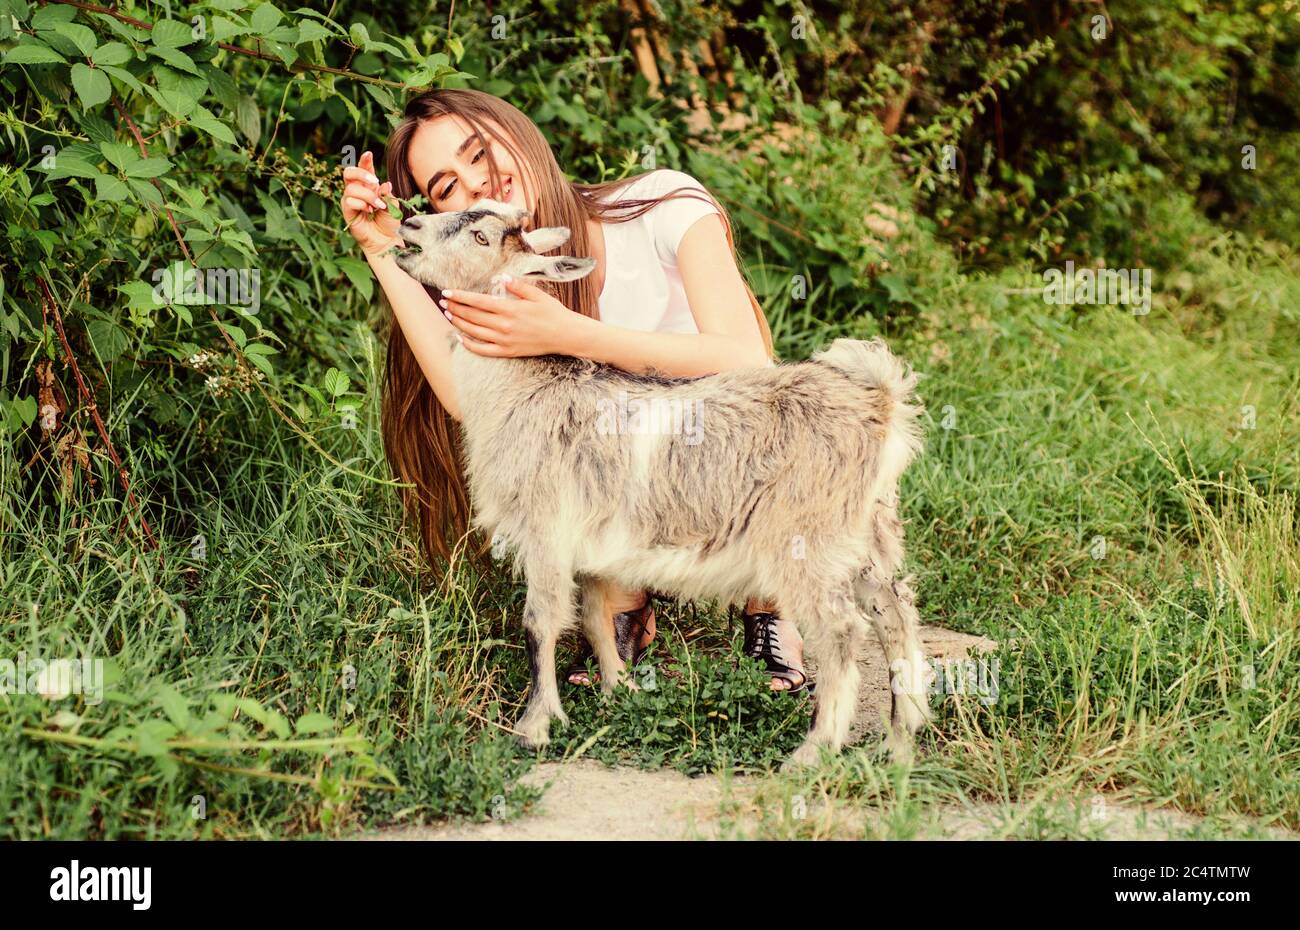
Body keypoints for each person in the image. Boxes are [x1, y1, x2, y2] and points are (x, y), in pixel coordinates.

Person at [340, 88, 811, 692]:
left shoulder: (661, 205)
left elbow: (744, 355)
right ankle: (625, 606)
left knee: (765, 426)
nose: (476, 186)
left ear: (515, 130)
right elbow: (464, 398)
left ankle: (769, 608)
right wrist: (381, 248)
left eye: (477, 153)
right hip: (632, 492)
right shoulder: (497, 272)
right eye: (446, 187)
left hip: (723, 470)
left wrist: (573, 334)